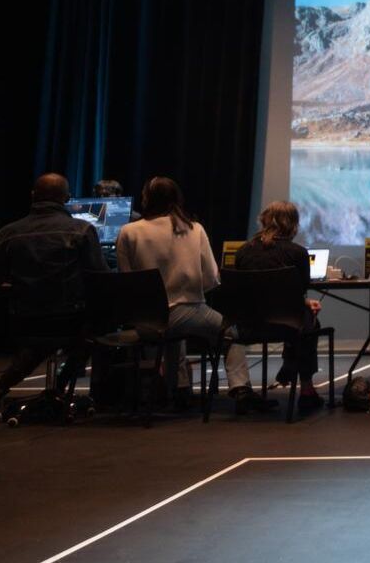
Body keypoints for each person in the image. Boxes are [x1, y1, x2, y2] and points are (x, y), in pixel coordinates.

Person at [117, 177, 275, 414]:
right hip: (188, 310)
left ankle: (179, 388)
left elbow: (125, 279)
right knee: (231, 332)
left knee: (173, 330)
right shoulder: (193, 229)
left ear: (146, 199)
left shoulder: (128, 231)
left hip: (146, 319)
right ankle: (240, 388)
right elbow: (212, 278)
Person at [0, 174, 107, 418]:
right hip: (70, 320)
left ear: (33, 197)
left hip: (23, 321)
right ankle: (61, 388)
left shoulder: (7, 233)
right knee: (99, 328)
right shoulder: (82, 230)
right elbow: (99, 278)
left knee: (38, 342)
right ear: (67, 199)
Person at [235, 201, 325, 411]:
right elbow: (298, 291)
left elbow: (248, 293)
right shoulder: (298, 253)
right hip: (287, 325)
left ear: (263, 220)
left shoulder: (242, 252)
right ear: (293, 225)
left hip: (248, 326)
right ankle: (306, 389)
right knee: (310, 320)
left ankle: (291, 364)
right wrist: (304, 303)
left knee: (302, 316)